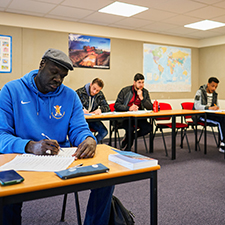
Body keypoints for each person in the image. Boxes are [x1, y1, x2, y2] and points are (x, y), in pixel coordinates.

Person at [0, 48, 114, 225]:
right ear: (41, 65)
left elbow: (79, 129)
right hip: (22, 158)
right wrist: (31, 146)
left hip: (60, 160)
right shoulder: (11, 91)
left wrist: (89, 139)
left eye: (63, 76)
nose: (58, 80)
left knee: (106, 179)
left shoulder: (70, 96)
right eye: (54, 73)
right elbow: (1, 136)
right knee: (5, 190)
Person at [114, 73, 153, 151]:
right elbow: (117, 105)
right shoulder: (125, 91)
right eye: (139, 82)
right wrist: (129, 108)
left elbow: (150, 107)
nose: (141, 85)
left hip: (138, 117)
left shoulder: (145, 92)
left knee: (149, 128)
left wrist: (142, 98)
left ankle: (128, 138)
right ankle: (128, 148)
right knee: (130, 129)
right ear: (134, 82)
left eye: (142, 82)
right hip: (125, 118)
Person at [193, 77, 225, 153]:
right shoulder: (200, 92)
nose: (214, 88)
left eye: (216, 87)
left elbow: (216, 105)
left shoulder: (215, 94)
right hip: (201, 115)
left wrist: (216, 107)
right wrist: (209, 108)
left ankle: (223, 142)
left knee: (223, 117)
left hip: (211, 114)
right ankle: (223, 143)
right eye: (213, 86)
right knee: (220, 121)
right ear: (208, 84)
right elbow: (197, 106)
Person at [76, 78, 110, 143]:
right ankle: (83, 145)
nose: (95, 92)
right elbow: (73, 105)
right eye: (94, 88)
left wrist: (100, 109)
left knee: (104, 132)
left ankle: (91, 144)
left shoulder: (99, 94)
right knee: (82, 134)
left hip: (92, 119)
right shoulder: (79, 92)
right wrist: (81, 109)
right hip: (81, 119)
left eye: (97, 90)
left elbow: (107, 107)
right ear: (91, 84)